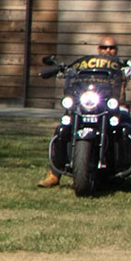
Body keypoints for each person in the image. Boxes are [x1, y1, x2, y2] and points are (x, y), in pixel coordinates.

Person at [39, 36, 120, 188]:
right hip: (89, 104)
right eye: (104, 47)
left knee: (128, 128)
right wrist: (61, 69)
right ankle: (54, 174)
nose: (108, 50)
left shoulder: (120, 67)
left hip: (113, 107)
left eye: (112, 48)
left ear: (116, 50)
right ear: (98, 49)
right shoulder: (85, 66)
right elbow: (72, 75)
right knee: (63, 129)